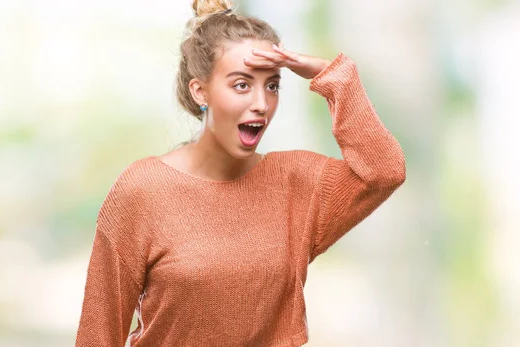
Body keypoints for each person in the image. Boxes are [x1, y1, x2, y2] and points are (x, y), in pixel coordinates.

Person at [75, 0, 406, 346]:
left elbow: (384, 170)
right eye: (242, 85)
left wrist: (333, 76)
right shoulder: (142, 190)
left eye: (272, 85)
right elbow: (98, 334)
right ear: (200, 91)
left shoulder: (295, 182)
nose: (262, 104)